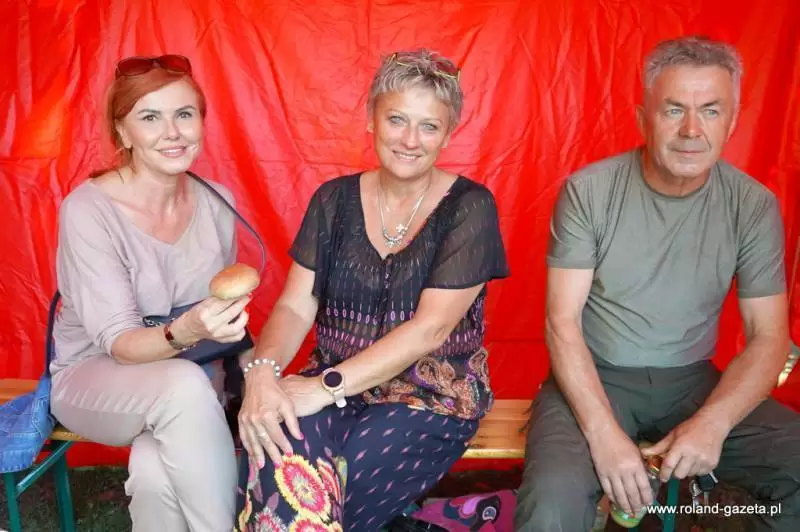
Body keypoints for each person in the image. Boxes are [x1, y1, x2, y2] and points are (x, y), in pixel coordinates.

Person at [515, 36, 800, 531]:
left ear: (732, 120)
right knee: (552, 500)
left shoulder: (753, 206)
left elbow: (770, 335)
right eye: (673, 110)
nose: (691, 130)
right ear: (643, 117)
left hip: (695, 384)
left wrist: (713, 422)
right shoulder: (589, 191)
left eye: (710, 111)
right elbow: (561, 322)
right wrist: (603, 435)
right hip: (595, 378)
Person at [234, 49, 509, 531]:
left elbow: (429, 330)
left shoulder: (470, 207)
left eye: (428, 126)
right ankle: (436, 521)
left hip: (428, 395)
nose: (410, 140)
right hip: (330, 383)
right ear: (370, 119)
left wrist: (323, 387)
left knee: (330, 486)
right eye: (396, 119)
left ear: (449, 134)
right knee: (273, 449)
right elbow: (296, 305)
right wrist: (262, 375)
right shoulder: (332, 200)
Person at [50, 55, 252, 531]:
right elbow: (120, 344)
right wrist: (187, 330)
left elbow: (224, 330)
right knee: (182, 387)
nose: (172, 132)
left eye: (184, 114)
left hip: (191, 378)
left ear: (201, 122)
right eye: (149, 117)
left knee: (155, 471)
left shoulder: (218, 203)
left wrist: (255, 374)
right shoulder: (88, 210)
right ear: (122, 133)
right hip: (95, 376)